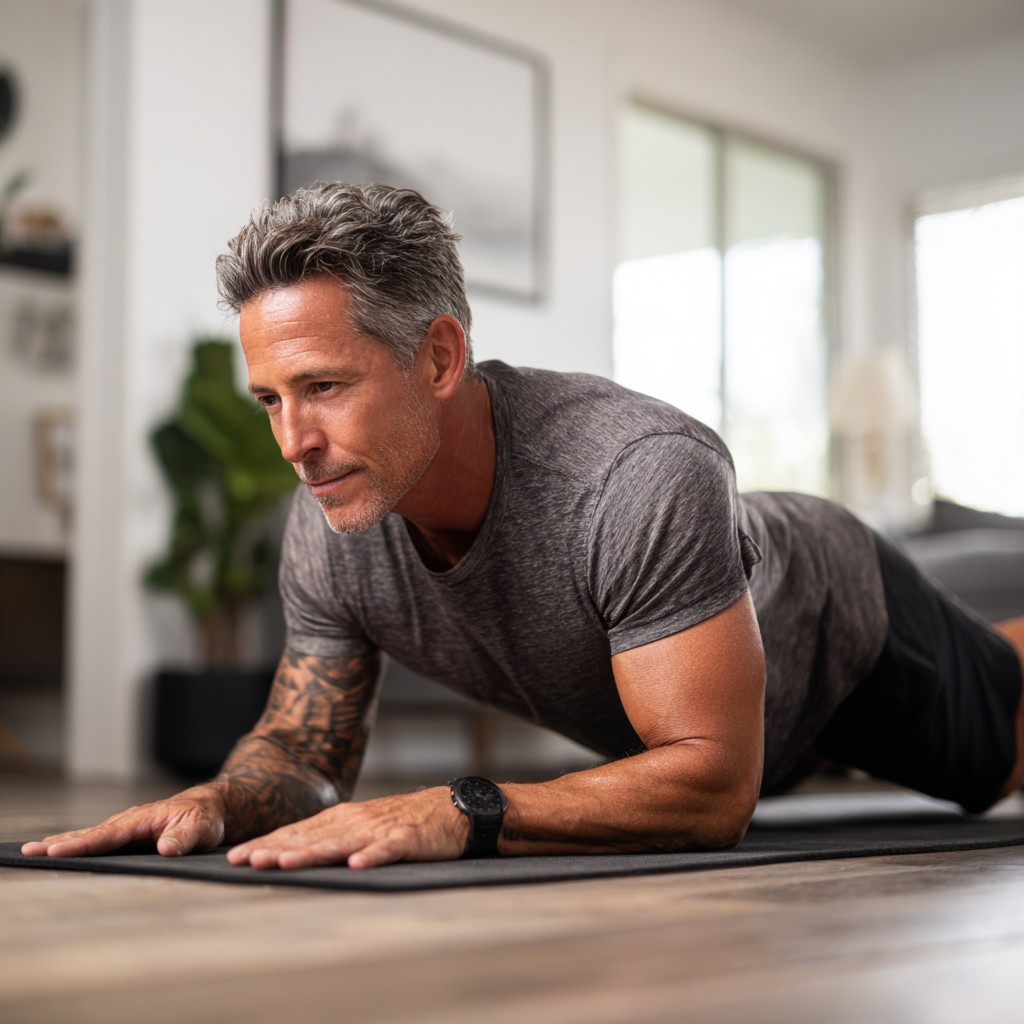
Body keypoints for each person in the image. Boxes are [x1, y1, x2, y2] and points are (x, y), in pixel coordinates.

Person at [24, 184, 1024, 870]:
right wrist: (220, 799)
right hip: (716, 690)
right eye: (269, 400)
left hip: (835, 633)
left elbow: (717, 789)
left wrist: (460, 810)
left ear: (441, 357)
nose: (294, 440)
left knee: (1003, 753)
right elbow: (304, 747)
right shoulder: (330, 516)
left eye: (323, 387)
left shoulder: (635, 475)